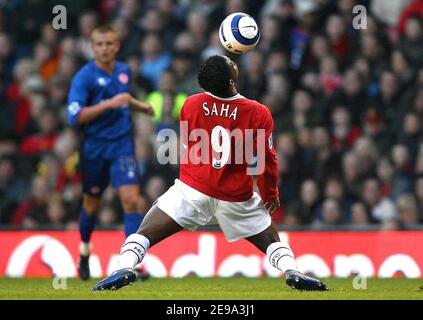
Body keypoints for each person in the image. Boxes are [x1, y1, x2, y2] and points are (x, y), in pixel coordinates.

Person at [92, 55, 328, 291]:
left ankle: (123, 267)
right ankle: (292, 271)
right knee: (272, 241)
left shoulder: (191, 104)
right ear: (231, 79)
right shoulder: (258, 112)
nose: (234, 62)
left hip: (193, 189)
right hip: (236, 196)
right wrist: (270, 193)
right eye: (230, 63)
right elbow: (268, 159)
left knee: (143, 233)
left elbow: (189, 143)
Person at [67, 25, 154, 280]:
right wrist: (108, 105)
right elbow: (75, 117)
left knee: (131, 200)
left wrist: (141, 106)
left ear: (117, 46)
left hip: (122, 145)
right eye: (100, 44)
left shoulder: (124, 71)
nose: (105, 48)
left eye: (109, 43)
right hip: (94, 148)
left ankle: (131, 264)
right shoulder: (84, 77)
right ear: (92, 47)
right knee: (91, 205)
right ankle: (84, 252)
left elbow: (123, 99)